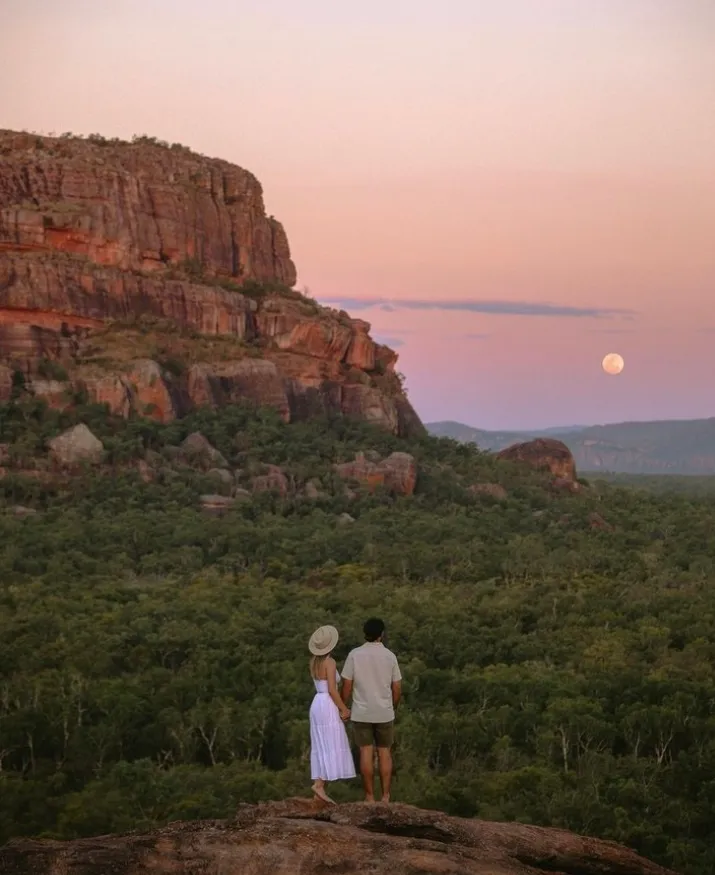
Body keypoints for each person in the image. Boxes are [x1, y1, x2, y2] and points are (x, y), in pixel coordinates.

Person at [341, 617, 402, 803]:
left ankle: (369, 796)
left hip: (362, 712)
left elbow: (347, 685)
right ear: (382, 634)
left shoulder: (354, 655)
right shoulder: (390, 656)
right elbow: (397, 687)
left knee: (365, 752)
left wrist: (343, 707)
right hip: (384, 712)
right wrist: (393, 706)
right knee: (385, 753)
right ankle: (385, 796)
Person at [308, 625, 356, 804]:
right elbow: (332, 690)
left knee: (321, 743)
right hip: (327, 702)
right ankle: (319, 785)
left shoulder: (314, 662)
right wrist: (344, 708)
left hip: (316, 703)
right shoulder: (330, 662)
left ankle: (318, 791)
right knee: (330, 741)